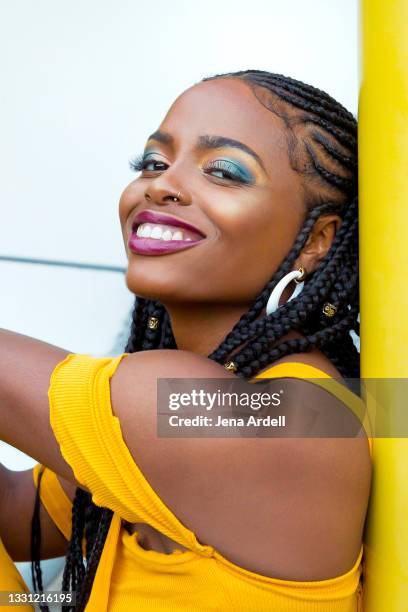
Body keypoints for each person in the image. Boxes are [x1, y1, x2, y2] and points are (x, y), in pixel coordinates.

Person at [0, 70, 372, 611]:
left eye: (223, 171)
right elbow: (18, 512)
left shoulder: (286, 421)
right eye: (153, 162)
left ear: (318, 242)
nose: (161, 184)